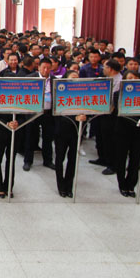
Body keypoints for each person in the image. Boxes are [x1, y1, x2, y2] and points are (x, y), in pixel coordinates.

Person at [113, 71, 140, 198]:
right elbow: (121, 112)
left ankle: (131, 185)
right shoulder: (118, 94)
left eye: (135, 78)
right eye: (129, 78)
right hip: (122, 131)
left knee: (136, 159)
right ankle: (122, 185)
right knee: (121, 159)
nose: (133, 80)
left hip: (139, 132)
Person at [54, 70, 83, 198]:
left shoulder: (83, 94)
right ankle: (61, 186)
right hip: (62, 130)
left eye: (77, 78)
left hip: (76, 131)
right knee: (59, 158)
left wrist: (84, 117)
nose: (75, 80)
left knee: (73, 159)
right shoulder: (59, 92)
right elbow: (57, 112)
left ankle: (69, 186)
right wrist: (74, 117)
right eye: (72, 78)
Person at [24, 57, 55, 172]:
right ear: (38, 68)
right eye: (44, 68)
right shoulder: (30, 78)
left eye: (48, 68)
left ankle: (48, 160)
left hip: (48, 113)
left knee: (48, 137)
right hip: (33, 112)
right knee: (30, 137)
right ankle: (28, 161)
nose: (46, 70)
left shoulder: (55, 80)